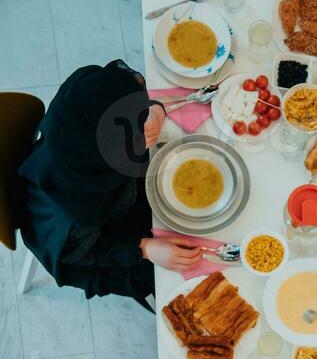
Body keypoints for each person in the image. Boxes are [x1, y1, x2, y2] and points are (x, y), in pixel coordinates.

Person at [18, 59, 206, 306]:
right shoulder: (76, 216)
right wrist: (146, 249)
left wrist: (156, 111)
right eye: (132, 141)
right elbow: (91, 252)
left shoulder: (81, 94)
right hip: (87, 249)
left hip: (93, 188)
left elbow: (120, 93)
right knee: (176, 278)